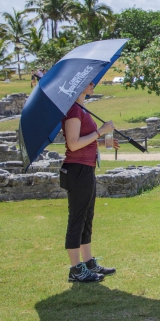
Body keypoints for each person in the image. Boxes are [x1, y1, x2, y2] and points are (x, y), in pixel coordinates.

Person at [61, 81, 119, 283]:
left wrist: (104, 141)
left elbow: (86, 140)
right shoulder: (73, 111)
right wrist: (100, 132)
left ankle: (88, 262)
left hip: (87, 168)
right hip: (77, 170)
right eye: (88, 82)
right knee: (77, 218)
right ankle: (75, 268)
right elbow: (73, 143)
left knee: (87, 217)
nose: (93, 84)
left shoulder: (82, 109)